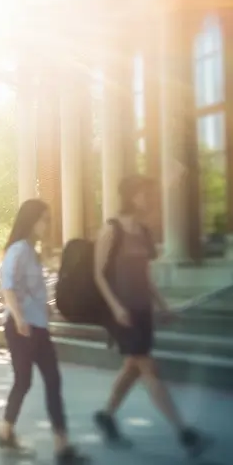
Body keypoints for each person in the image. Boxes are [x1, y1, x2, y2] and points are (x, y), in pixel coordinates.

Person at [93, 176, 207, 456]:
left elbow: (146, 276)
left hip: (143, 310)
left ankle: (106, 416)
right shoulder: (111, 229)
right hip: (123, 313)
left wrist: (162, 305)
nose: (148, 199)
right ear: (131, 195)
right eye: (144, 193)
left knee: (133, 368)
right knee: (148, 368)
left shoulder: (144, 231)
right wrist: (116, 307)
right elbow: (98, 274)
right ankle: (184, 432)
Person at [0, 199, 87, 464]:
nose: (48, 225)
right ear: (31, 219)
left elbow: (30, 290)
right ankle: (5, 431)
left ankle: (62, 446)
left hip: (38, 326)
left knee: (52, 381)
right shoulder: (19, 250)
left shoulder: (32, 252)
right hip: (21, 328)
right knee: (23, 382)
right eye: (44, 219)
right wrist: (19, 317)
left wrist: (43, 309)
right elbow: (8, 287)